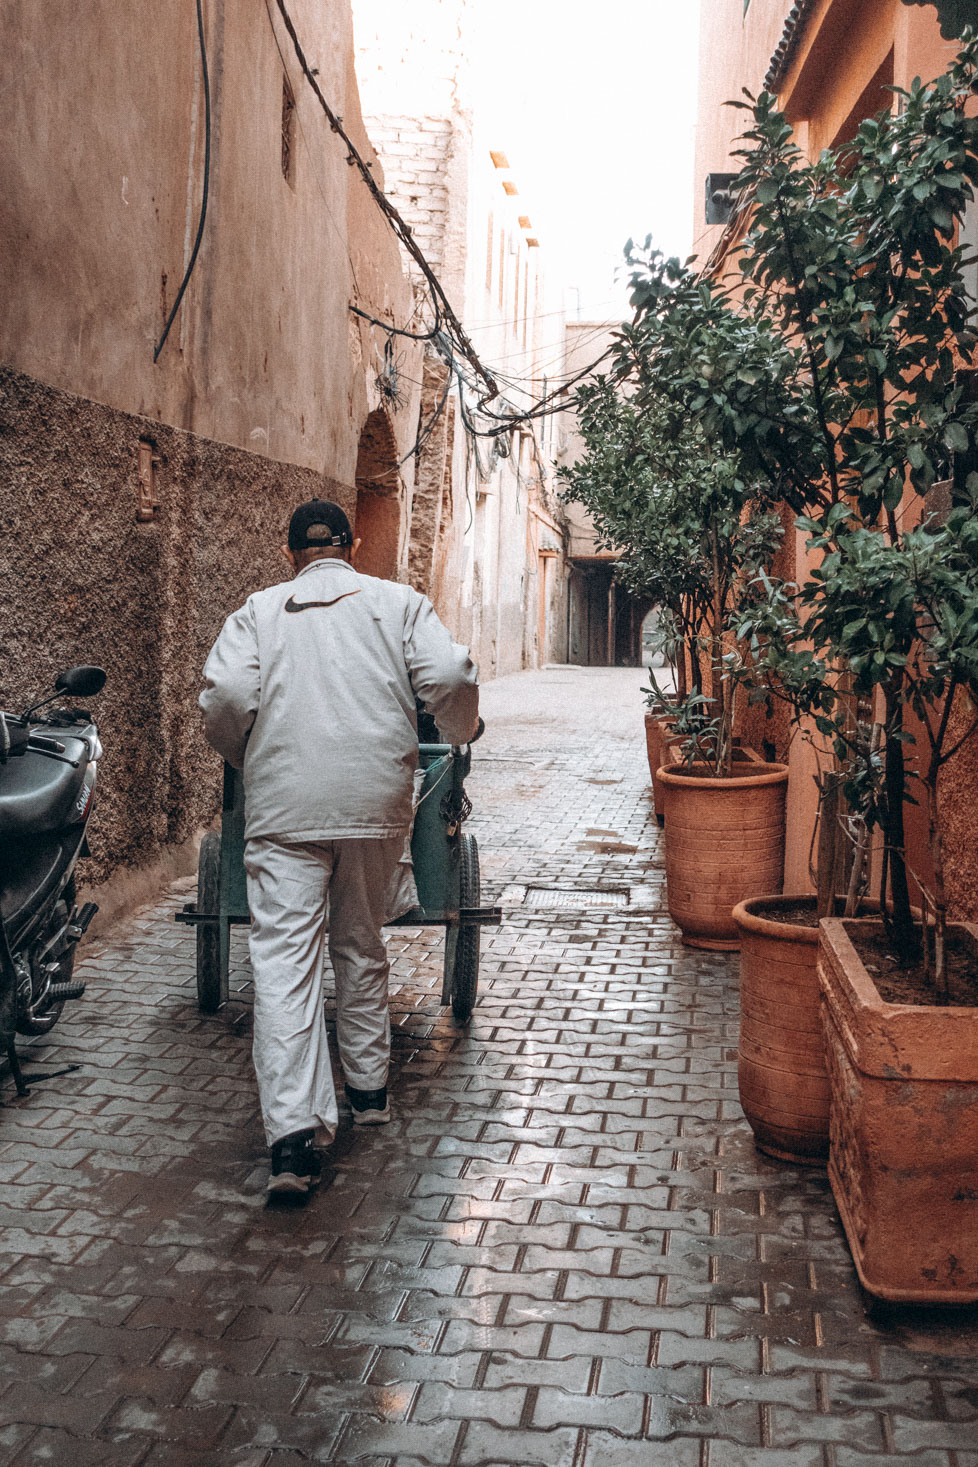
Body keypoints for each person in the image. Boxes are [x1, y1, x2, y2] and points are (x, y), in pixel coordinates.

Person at [199, 499, 479, 1196]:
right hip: (374, 801)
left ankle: (293, 1141)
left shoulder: (258, 612)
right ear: (352, 547)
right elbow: (448, 678)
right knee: (361, 939)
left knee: (286, 964)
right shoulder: (398, 602)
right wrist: (462, 729)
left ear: (288, 550)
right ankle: (370, 1089)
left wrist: (247, 754)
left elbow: (226, 695)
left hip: (285, 806)